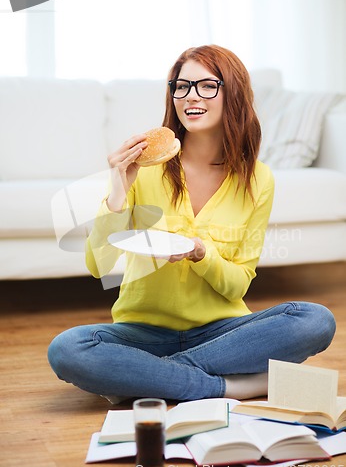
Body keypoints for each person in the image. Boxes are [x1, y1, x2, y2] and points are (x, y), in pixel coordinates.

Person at [48, 45, 336, 403]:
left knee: (315, 320)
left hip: (222, 332)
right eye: (181, 86)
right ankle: (227, 386)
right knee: (67, 349)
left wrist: (202, 255)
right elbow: (98, 265)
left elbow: (236, 286)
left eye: (206, 86)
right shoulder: (145, 167)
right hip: (143, 331)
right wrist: (119, 188)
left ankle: (147, 376)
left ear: (233, 93)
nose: (190, 96)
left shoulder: (258, 180)